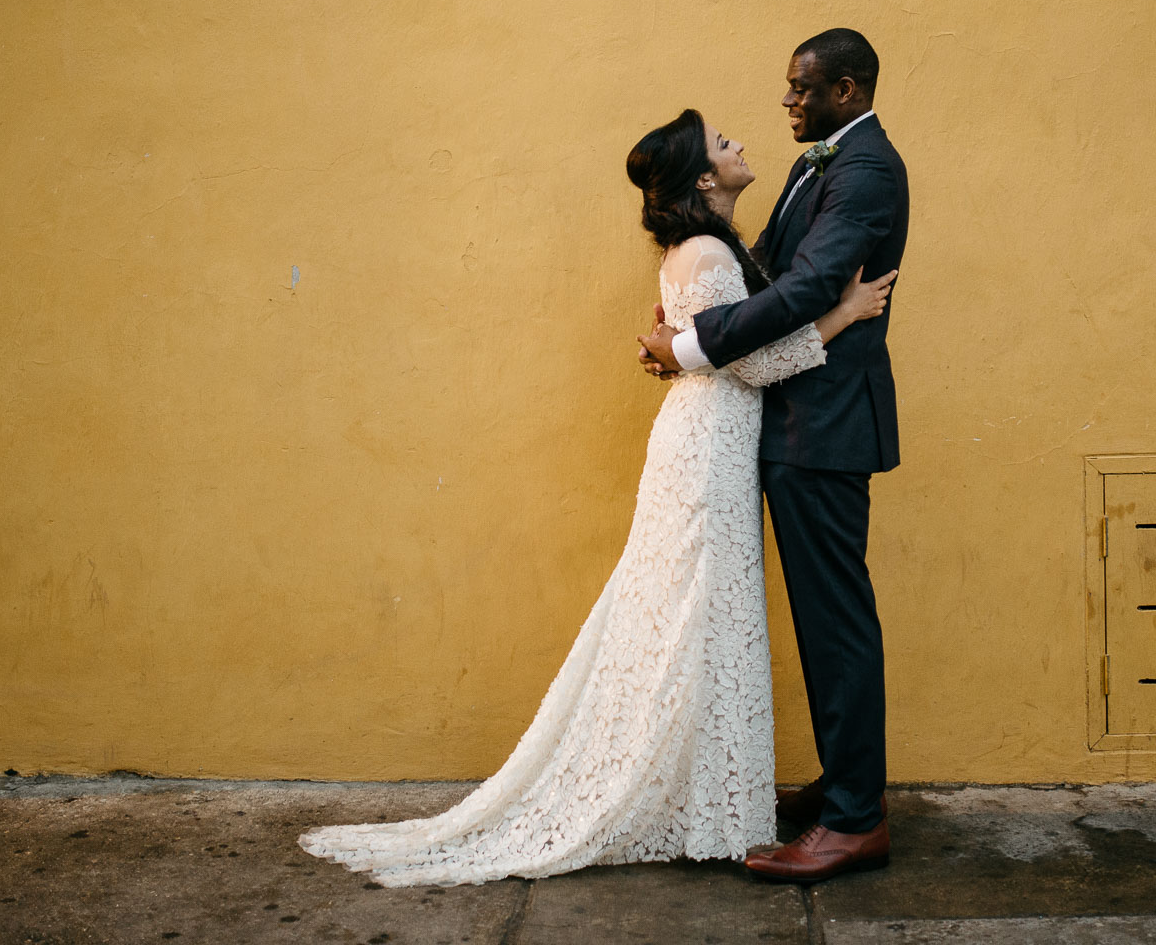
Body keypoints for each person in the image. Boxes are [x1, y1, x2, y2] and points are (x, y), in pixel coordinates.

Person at [298, 108, 895, 887]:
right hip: (709, 446)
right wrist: (840, 316)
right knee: (697, 611)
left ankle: (702, 790)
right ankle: (698, 794)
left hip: (708, 436)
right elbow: (745, 362)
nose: (740, 142)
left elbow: (720, 343)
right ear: (704, 179)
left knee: (695, 615)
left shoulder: (708, 246)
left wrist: (682, 351)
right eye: (722, 144)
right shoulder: (708, 248)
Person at [638, 27, 906, 883]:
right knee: (822, 621)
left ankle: (856, 821)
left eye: (803, 88)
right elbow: (766, 276)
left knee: (837, 623)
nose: (786, 101)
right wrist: (690, 328)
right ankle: (842, 787)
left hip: (823, 425)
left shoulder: (863, 169)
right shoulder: (815, 161)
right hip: (790, 418)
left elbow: (806, 288)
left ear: (848, 89)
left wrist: (692, 345)